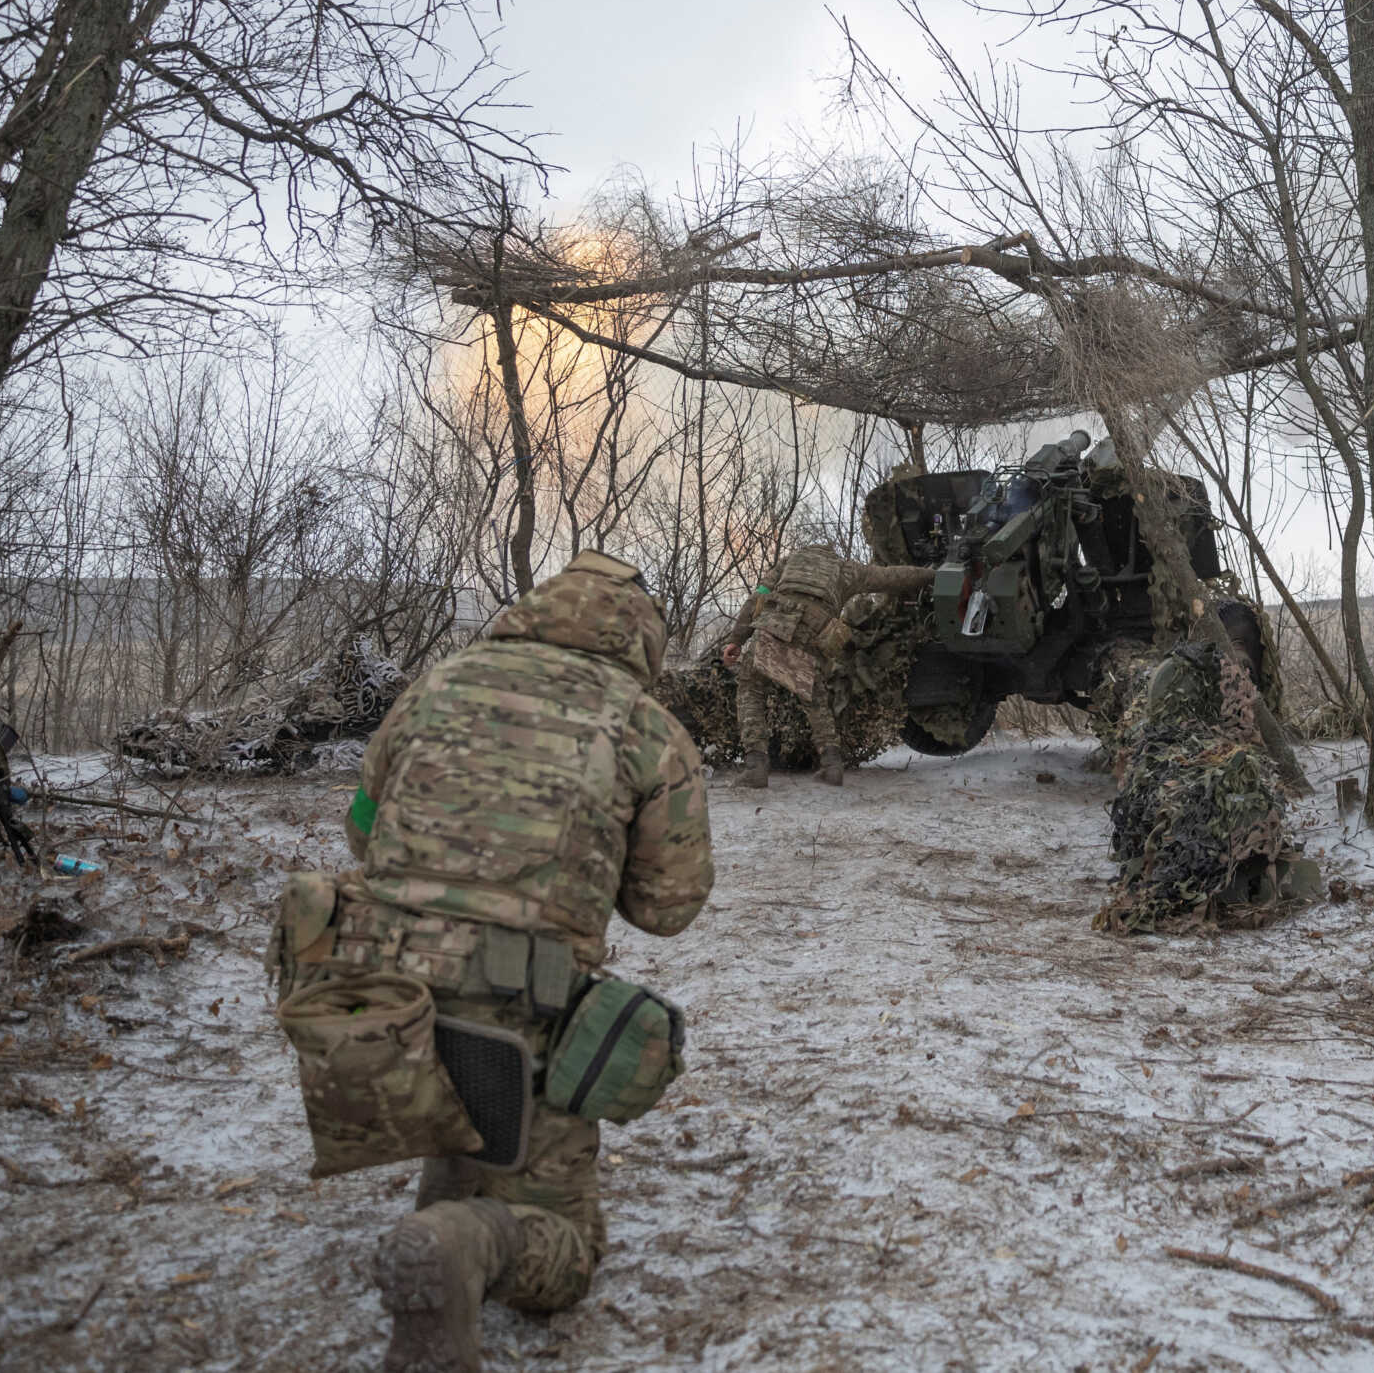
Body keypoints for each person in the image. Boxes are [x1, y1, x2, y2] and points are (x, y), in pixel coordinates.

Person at [295, 551, 710, 1372]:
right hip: (515, 1010)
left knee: (462, 1031)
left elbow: (363, 829)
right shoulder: (644, 727)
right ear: (642, 643)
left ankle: (449, 1194)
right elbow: (670, 905)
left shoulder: (439, 683)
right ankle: (463, 1241)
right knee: (567, 1250)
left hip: (377, 1000)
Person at [718, 543, 934, 788]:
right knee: (814, 697)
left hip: (774, 623)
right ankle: (832, 765)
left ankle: (755, 766)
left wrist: (736, 640)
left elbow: (759, 595)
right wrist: (932, 574)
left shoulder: (789, 561)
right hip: (815, 631)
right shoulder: (846, 569)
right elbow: (891, 577)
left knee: (751, 687)